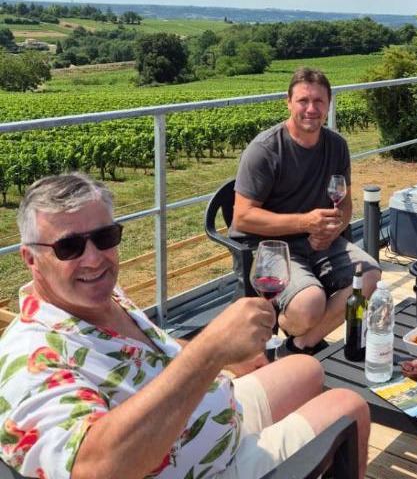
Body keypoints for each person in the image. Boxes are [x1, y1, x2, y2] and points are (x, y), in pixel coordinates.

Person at [0, 172, 370, 479]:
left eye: (105, 237)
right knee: (349, 407)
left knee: (306, 367)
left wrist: (225, 356)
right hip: (204, 466)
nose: (94, 259)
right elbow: (94, 469)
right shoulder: (29, 362)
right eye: (68, 247)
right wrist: (211, 351)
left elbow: (148, 352)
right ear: (31, 258)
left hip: (207, 415)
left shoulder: (93, 297)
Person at [231, 67, 381, 355]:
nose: (311, 109)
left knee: (370, 276)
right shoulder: (265, 150)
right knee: (311, 304)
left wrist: (333, 230)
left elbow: (345, 203)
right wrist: (305, 223)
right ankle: (287, 325)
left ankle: (299, 344)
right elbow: (243, 217)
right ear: (288, 102)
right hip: (271, 246)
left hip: (318, 241)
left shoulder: (337, 146)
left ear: (329, 104)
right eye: (303, 100)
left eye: (319, 101)